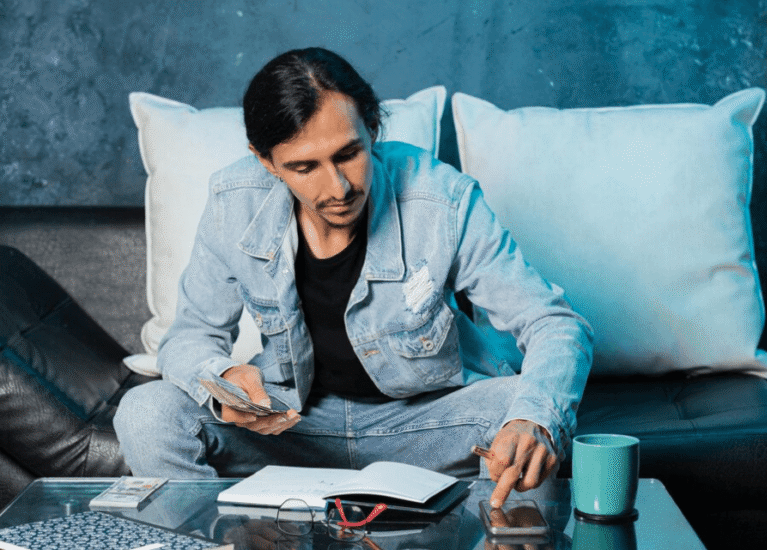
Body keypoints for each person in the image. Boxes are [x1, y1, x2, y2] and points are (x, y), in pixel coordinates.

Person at [114, 47, 593, 508]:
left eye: (347, 154)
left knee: (523, 409)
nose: (338, 188)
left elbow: (554, 324)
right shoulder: (233, 202)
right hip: (293, 426)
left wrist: (533, 420)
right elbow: (189, 337)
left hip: (426, 426)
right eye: (304, 167)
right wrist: (223, 381)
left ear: (373, 128)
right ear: (266, 162)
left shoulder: (442, 199)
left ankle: (503, 541)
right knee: (146, 411)